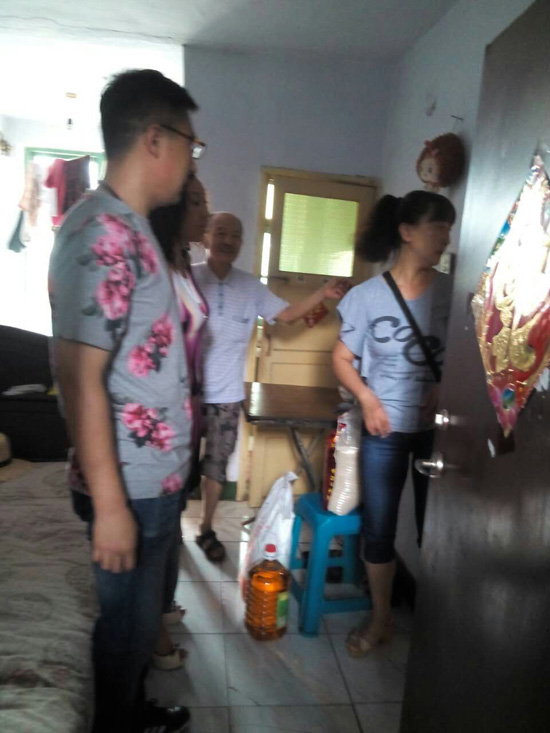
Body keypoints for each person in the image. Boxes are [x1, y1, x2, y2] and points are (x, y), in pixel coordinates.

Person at [49, 69, 205, 733]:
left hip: (153, 478)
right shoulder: (103, 234)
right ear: (155, 139)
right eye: (191, 144)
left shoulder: (132, 227)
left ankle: (133, 711)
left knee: (141, 625)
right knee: (125, 627)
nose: (192, 160)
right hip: (129, 486)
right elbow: (79, 376)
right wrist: (111, 506)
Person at [332, 190, 455, 657]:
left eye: (448, 229)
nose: (445, 238)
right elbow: (341, 358)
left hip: (438, 432)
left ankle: (440, 630)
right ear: (407, 232)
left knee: (437, 531)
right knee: (379, 528)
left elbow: (474, 355)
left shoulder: (454, 292)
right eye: (437, 227)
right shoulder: (366, 297)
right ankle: (381, 619)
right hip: (384, 431)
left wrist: (445, 384)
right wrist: (366, 398)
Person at [193, 212, 349, 562]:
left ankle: (205, 528)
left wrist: (324, 292)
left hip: (227, 395)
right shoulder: (187, 276)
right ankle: (167, 530)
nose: (228, 240)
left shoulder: (250, 286)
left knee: (216, 465)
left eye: (235, 234)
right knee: (178, 464)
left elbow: (288, 315)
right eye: (220, 232)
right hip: (185, 392)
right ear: (205, 237)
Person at [149, 173, 210, 669]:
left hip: (189, 411)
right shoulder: (150, 263)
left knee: (173, 519)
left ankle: (163, 606)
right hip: (162, 417)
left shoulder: (182, 261)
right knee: (158, 522)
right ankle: (156, 639)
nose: (205, 212)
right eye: (196, 202)